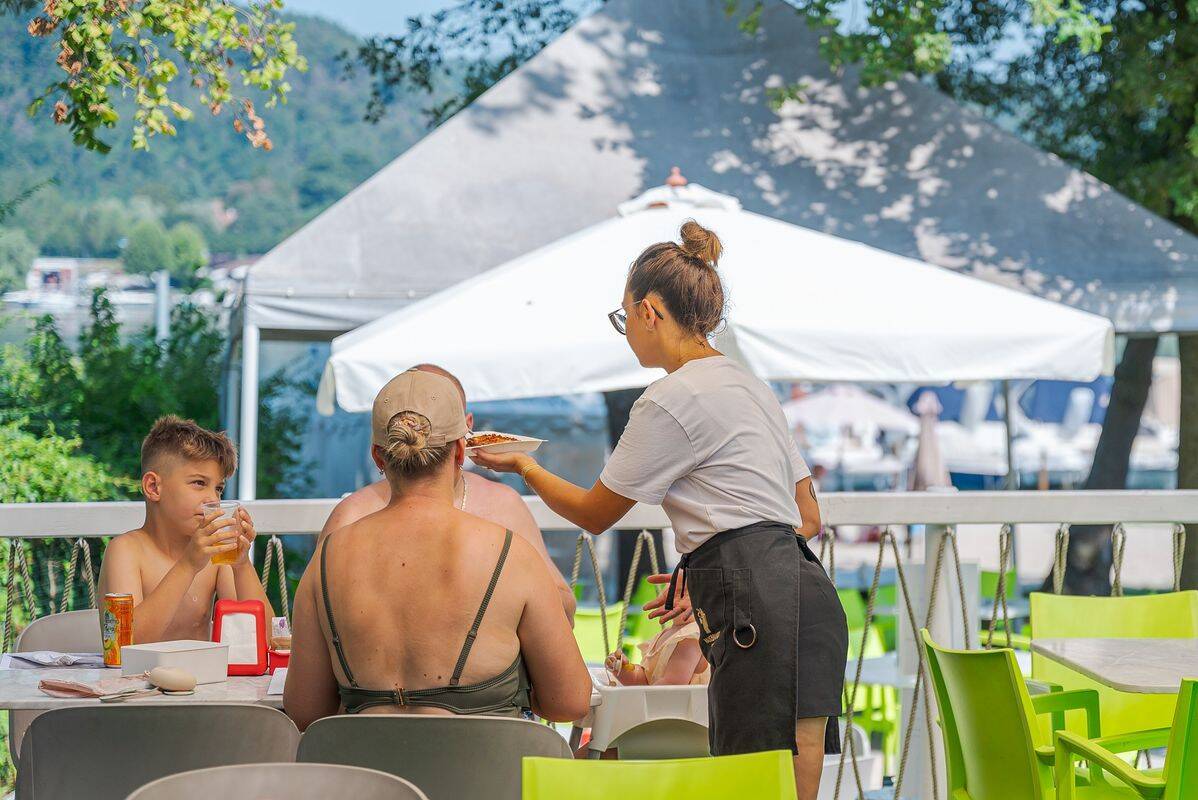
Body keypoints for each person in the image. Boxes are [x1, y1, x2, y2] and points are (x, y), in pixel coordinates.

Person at [471, 221, 848, 800]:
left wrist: (525, 468)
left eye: (622, 318)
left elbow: (596, 513)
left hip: (755, 599)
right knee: (793, 778)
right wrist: (724, 575)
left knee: (747, 779)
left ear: (649, 311)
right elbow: (806, 519)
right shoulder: (749, 386)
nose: (624, 333)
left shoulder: (670, 398)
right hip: (807, 592)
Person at [284, 369, 591, 731]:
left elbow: (305, 711)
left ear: (378, 457)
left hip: (368, 779)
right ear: (461, 450)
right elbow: (570, 701)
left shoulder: (329, 557)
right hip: (485, 777)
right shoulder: (510, 552)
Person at [319, 363, 576, 622]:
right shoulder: (351, 514)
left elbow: (564, 606)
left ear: (377, 454)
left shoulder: (504, 505)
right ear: (461, 444)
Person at [97, 416, 273, 643]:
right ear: (153, 487)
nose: (213, 499)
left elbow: (266, 640)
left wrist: (241, 566)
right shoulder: (126, 551)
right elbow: (124, 644)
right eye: (199, 483)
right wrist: (188, 565)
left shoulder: (215, 557)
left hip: (201, 679)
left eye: (218, 489)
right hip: (136, 679)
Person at [605, 618, 709, 687]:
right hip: (664, 711)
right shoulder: (665, 635)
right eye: (673, 591)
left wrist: (635, 699)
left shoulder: (691, 637)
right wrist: (623, 669)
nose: (678, 598)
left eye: (686, 593)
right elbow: (646, 681)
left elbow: (673, 687)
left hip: (689, 716)